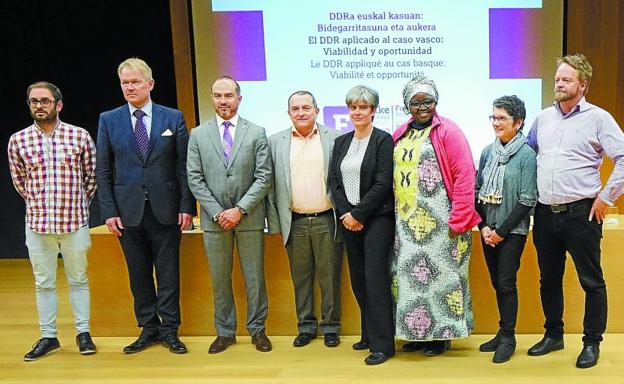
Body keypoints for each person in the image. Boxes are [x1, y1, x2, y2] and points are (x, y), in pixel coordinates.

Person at [526, 53, 624, 369]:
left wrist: (606, 197)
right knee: (548, 279)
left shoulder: (599, 118)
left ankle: (591, 343)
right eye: (557, 79)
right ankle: (553, 335)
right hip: (544, 213)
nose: (559, 83)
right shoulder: (542, 119)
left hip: (582, 212)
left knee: (591, 281)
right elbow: (528, 157)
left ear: (582, 85)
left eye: (566, 79)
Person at [96, 58, 196, 354]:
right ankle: (148, 328)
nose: (129, 87)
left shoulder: (172, 118)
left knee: (168, 274)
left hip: (166, 209)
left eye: (135, 81)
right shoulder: (108, 120)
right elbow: (103, 170)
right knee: (138, 274)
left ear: (150, 84)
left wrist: (187, 206)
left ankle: (170, 329)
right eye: (125, 82)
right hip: (127, 212)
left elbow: (184, 167)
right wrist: (109, 211)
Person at [392, 76, 480, 357]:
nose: (422, 107)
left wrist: (460, 219)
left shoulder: (449, 132)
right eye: (416, 102)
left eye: (427, 101)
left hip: (443, 222)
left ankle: (442, 336)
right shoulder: (401, 133)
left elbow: (465, 176)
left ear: (436, 102)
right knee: (411, 279)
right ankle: (418, 335)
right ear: (407, 105)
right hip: (407, 224)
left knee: (442, 279)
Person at [8, 81, 97, 361]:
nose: (39, 106)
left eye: (45, 101)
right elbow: (19, 181)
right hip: (37, 224)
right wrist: (39, 204)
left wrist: (75, 205)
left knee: (79, 279)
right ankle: (49, 336)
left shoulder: (79, 136)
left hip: (74, 222)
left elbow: (91, 179)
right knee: (43, 283)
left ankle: (83, 333)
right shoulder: (18, 140)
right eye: (34, 101)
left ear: (58, 105)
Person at [187, 76, 273, 353]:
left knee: (254, 277)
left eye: (228, 95)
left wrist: (239, 210)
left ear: (239, 98)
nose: (223, 101)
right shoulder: (198, 134)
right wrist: (217, 212)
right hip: (214, 222)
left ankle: (258, 330)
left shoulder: (256, 132)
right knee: (220, 278)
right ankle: (225, 332)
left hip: (248, 217)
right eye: (217, 95)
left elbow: (263, 176)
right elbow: (194, 178)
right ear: (211, 98)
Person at [266, 91, 343, 348]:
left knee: (330, 277)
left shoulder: (335, 138)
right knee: (301, 278)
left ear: (316, 111)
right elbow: (270, 188)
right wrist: (275, 224)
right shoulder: (274, 142)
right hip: (294, 221)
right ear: (289, 113)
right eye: (296, 108)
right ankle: (306, 326)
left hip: (326, 219)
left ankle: (331, 326)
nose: (301, 112)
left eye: (306, 108)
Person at [329, 85, 395, 365]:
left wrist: (359, 214)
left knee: (375, 279)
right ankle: (368, 334)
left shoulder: (383, 140)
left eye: (363, 107)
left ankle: (384, 345)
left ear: (373, 111)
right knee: (358, 280)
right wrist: (346, 213)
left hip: (377, 219)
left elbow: (382, 183)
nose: (358, 112)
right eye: (353, 107)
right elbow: (334, 181)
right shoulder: (341, 142)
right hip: (348, 221)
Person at [475, 95, 537, 363]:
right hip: (488, 231)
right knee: (495, 282)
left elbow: (527, 199)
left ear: (519, 122)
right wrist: (484, 227)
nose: (496, 123)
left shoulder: (526, 154)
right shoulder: (488, 152)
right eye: (494, 117)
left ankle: (509, 337)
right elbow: (477, 191)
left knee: (506, 282)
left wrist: (501, 231)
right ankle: (501, 332)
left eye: (502, 118)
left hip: (512, 232)